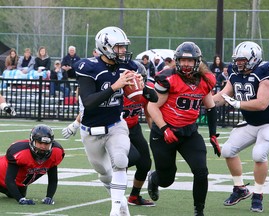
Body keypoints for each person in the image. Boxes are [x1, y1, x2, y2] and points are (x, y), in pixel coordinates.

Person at [62, 60, 158, 208]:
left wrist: (156, 133)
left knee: (145, 163)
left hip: (133, 128)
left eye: (139, 78)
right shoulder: (118, 91)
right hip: (115, 128)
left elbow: (150, 111)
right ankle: (118, 196)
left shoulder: (142, 90)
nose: (135, 82)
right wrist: (75, 124)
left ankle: (134, 195)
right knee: (126, 159)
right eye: (131, 78)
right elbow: (91, 110)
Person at [73, 26, 144, 216]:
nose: (123, 51)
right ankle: (121, 204)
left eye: (124, 47)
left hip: (115, 125)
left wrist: (144, 90)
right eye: (119, 47)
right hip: (90, 130)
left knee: (121, 161)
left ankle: (114, 210)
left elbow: (149, 96)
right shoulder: (88, 67)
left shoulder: (128, 66)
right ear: (105, 47)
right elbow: (88, 102)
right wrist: (115, 87)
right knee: (103, 172)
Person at [147, 41, 221, 216]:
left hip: (189, 133)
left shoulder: (205, 79)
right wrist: (165, 128)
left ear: (197, 61)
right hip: (164, 134)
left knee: (201, 171)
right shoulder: (168, 78)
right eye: (182, 60)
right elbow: (152, 107)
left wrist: (213, 134)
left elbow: (210, 107)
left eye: (190, 60)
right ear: (176, 61)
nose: (186, 64)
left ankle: (199, 211)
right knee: (167, 179)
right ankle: (154, 178)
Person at [213, 41, 269, 213]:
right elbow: (222, 96)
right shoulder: (234, 72)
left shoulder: (267, 71)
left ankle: (258, 194)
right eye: (237, 60)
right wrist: (200, 101)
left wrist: (237, 103)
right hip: (251, 122)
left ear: (254, 59)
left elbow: (262, 103)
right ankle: (240, 189)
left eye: (242, 60)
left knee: (259, 154)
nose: (238, 63)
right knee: (228, 150)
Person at [0, 124, 65, 205]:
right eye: (40, 143)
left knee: (18, 193)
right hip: (2, 176)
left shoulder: (56, 153)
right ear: (32, 141)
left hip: (18, 184)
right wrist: (21, 200)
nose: (43, 147)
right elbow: (9, 179)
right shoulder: (20, 152)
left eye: (46, 144)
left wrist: (49, 197)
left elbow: (53, 180)